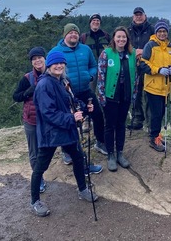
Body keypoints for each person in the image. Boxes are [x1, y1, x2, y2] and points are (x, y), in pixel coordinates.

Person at [29, 51, 98, 217]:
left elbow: (71, 102)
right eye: (55, 64)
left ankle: (82, 189)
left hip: (66, 130)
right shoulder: (44, 84)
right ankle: (35, 201)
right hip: (51, 133)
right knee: (40, 167)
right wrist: (71, 118)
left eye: (61, 63)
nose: (59, 66)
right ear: (49, 66)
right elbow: (48, 113)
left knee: (78, 157)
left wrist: (83, 108)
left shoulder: (63, 81)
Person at [49, 23, 106, 169]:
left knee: (98, 114)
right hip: (67, 93)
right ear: (65, 35)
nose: (73, 35)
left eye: (76, 33)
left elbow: (94, 66)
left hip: (85, 89)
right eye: (70, 33)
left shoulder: (85, 49)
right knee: (69, 121)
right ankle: (67, 152)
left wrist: (91, 76)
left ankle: (100, 141)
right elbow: (50, 69)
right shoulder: (57, 51)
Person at [96, 26, 138, 171]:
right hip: (110, 96)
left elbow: (136, 77)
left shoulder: (131, 54)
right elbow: (100, 77)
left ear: (127, 39)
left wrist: (133, 95)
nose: (121, 39)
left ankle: (120, 153)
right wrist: (101, 96)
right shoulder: (106, 54)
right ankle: (111, 155)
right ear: (114, 38)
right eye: (118, 36)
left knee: (121, 124)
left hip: (125, 95)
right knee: (110, 126)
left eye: (124, 37)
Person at [139, 20, 171, 152]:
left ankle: (156, 134)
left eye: (164, 31)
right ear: (156, 32)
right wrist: (158, 70)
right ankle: (153, 138)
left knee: (162, 112)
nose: (162, 34)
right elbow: (143, 63)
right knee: (155, 113)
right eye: (160, 31)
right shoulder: (150, 46)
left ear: (167, 33)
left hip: (166, 87)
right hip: (153, 86)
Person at [12, 46, 48, 193]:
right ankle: (38, 178)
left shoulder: (53, 73)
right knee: (34, 151)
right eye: (34, 59)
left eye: (39, 57)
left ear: (44, 58)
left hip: (48, 119)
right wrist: (28, 92)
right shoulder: (27, 78)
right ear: (31, 62)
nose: (37, 60)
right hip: (32, 120)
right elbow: (16, 96)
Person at [128, 7, 155, 130]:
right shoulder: (128, 30)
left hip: (149, 66)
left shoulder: (152, 30)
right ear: (133, 17)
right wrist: (134, 52)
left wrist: (143, 52)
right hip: (133, 65)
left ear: (145, 16)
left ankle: (150, 122)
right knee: (135, 93)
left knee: (149, 93)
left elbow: (157, 45)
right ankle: (137, 119)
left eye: (140, 14)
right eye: (136, 15)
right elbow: (123, 45)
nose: (138, 17)